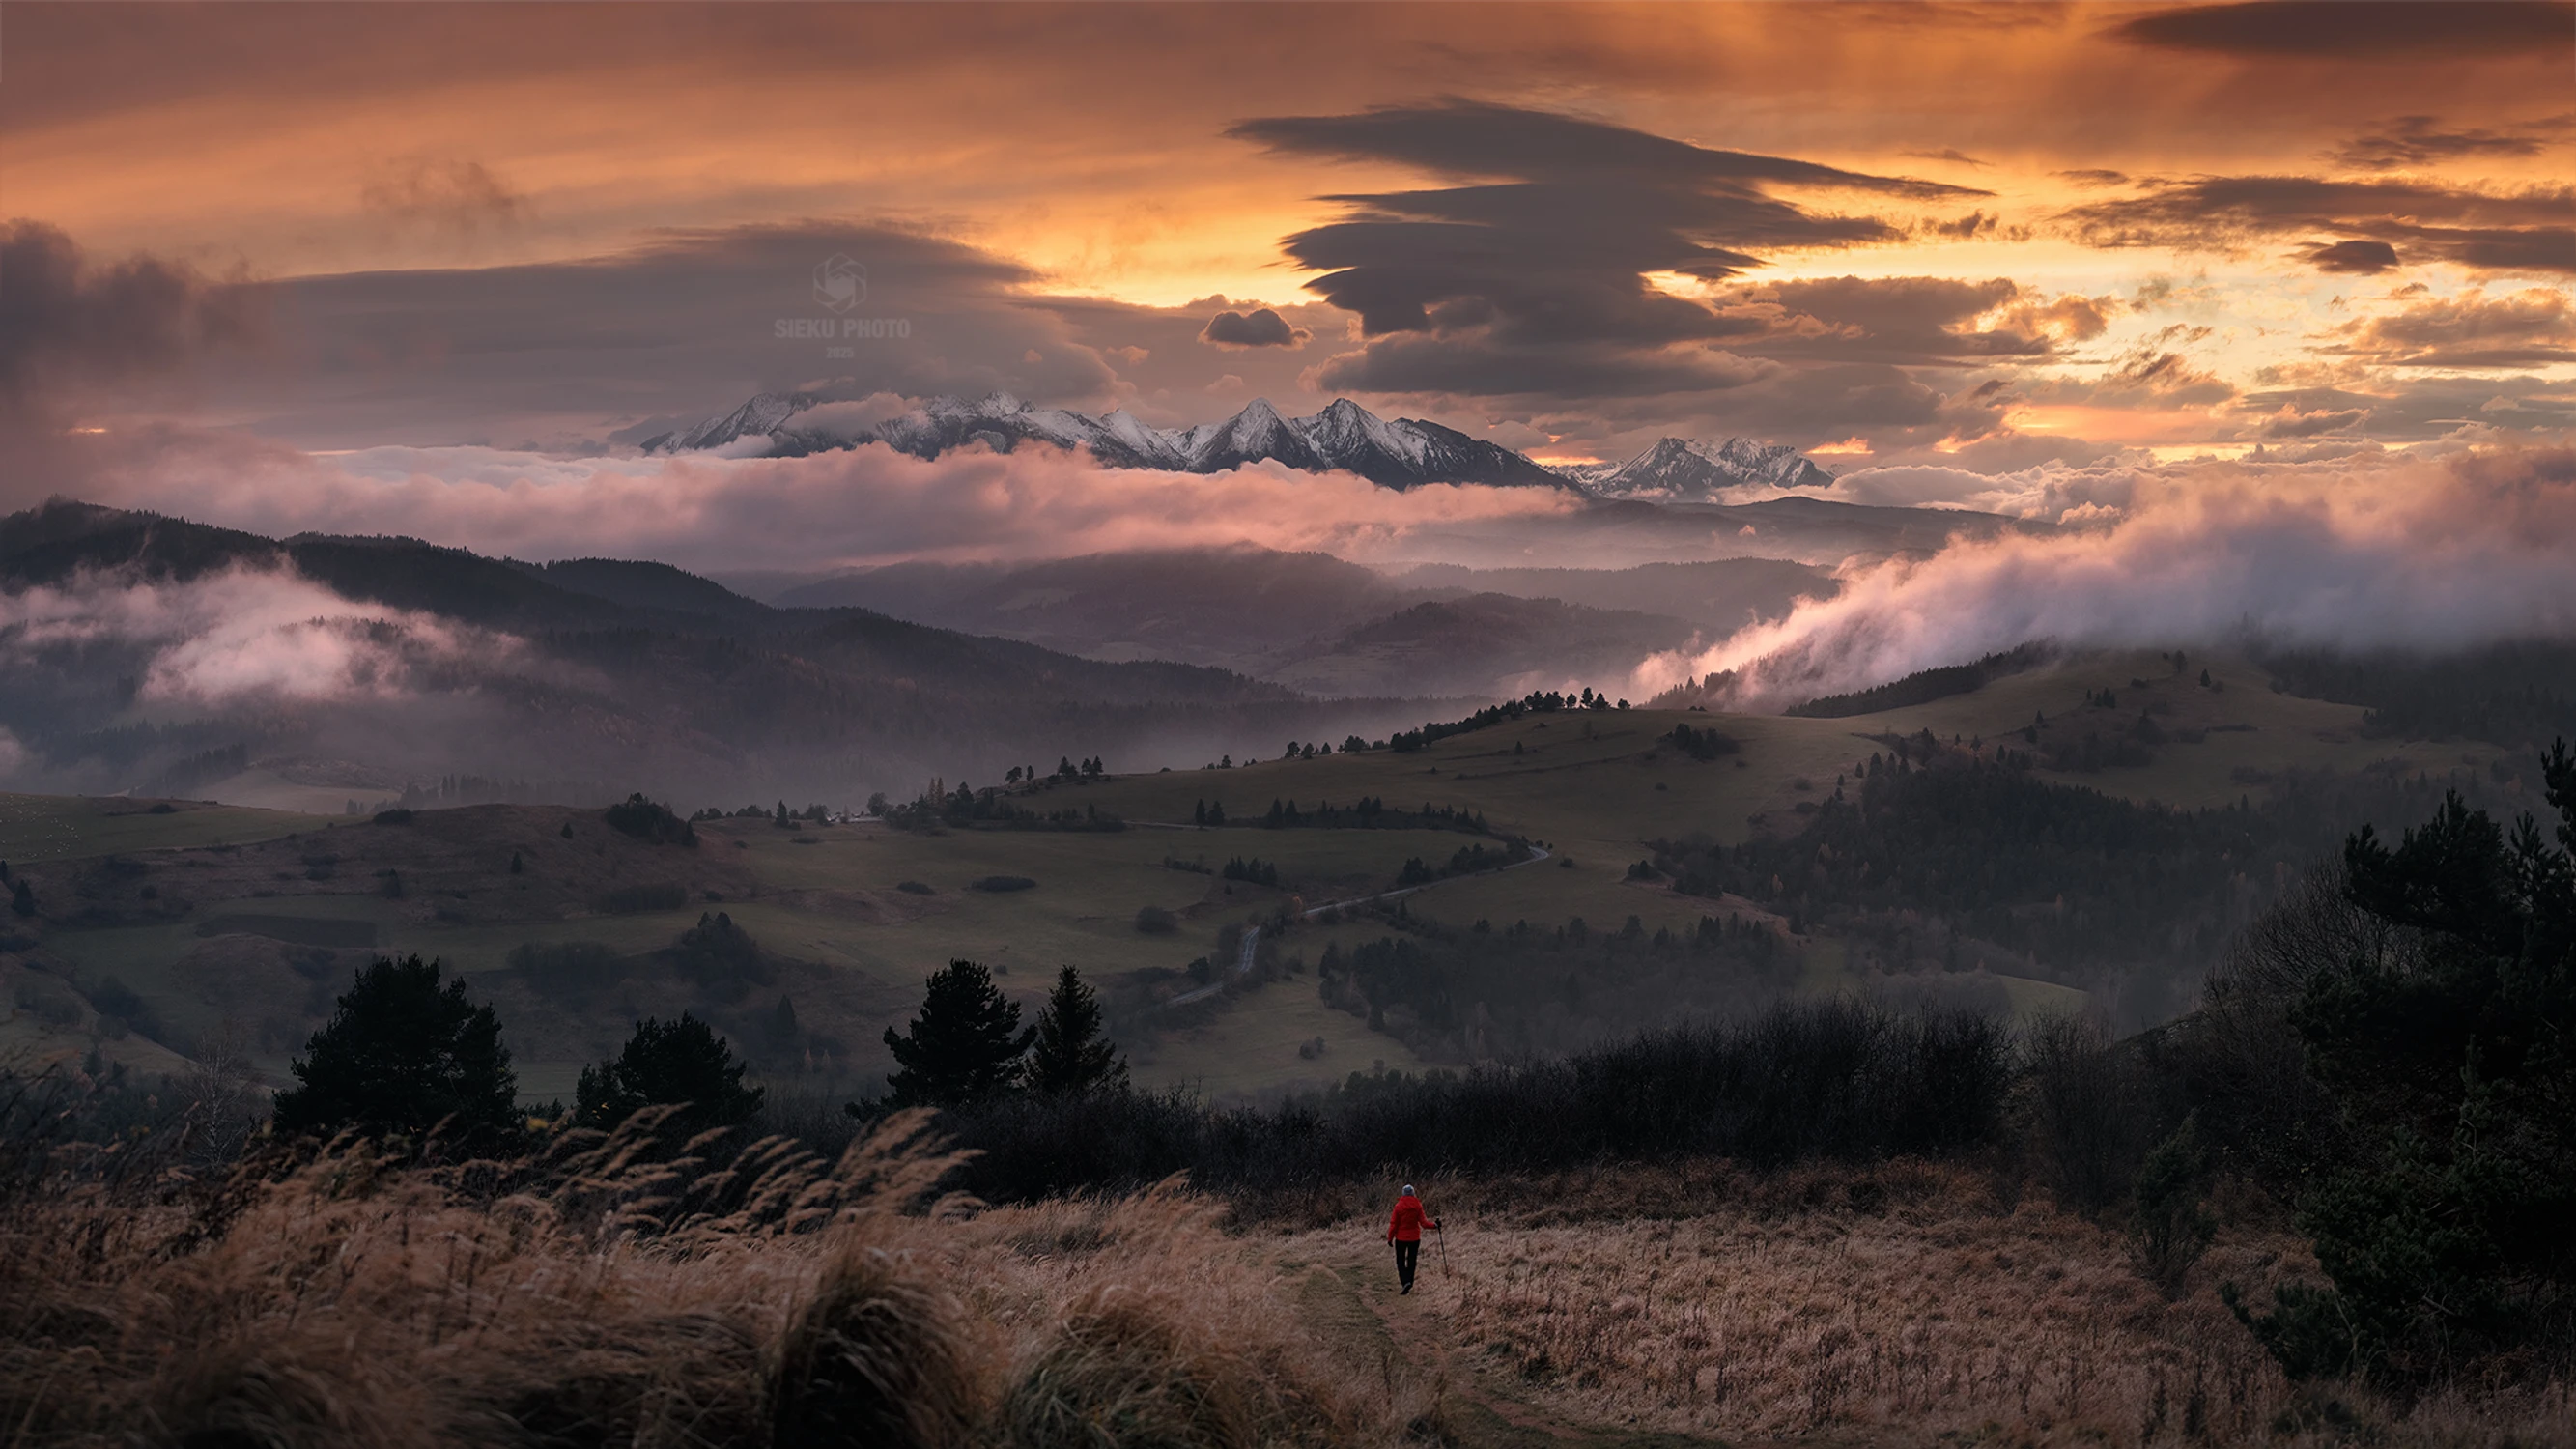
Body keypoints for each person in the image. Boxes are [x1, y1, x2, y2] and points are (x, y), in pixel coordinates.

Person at [1385, 1183, 1440, 1293]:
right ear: (1413, 1193)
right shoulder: (1418, 1206)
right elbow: (1424, 1224)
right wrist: (1435, 1225)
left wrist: (1390, 1239)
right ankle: (1410, 1281)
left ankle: (1405, 1281)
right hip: (1414, 1238)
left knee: (1400, 1261)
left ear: (1403, 1194)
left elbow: (1393, 1224)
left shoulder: (1398, 1206)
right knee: (1412, 1260)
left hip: (1401, 1238)